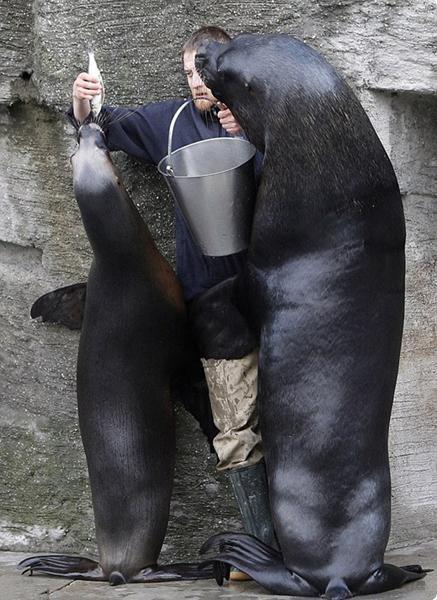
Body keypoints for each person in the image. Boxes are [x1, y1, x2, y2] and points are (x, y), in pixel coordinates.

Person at [71, 26, 276, 574]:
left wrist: (257, 130)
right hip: (212, 302)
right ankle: (264, 554)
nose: (197, 83)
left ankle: (295, 543)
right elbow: (99, 128)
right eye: (188, 73)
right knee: (234, 429)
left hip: (276, 295)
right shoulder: (173, 123)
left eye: (205, 71)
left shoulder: (267, 116)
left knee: (289, 419)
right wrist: (83, 101)